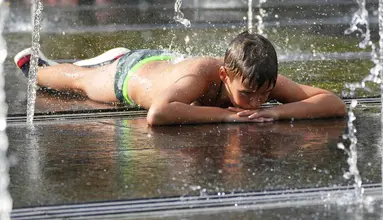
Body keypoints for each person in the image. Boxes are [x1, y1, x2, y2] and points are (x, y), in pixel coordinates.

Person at [14, 31, 347, 125]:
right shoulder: (205, 73)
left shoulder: (257, 78)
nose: (257, 101)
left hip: (168, 67)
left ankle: (115, 54)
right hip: (133, 76)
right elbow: (158, 113)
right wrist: (227, 116)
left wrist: (277, 111)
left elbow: (333, 103)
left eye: (265, 94)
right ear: (223, 75)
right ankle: (38, 66)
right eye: (248, 95)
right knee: (79, 80)